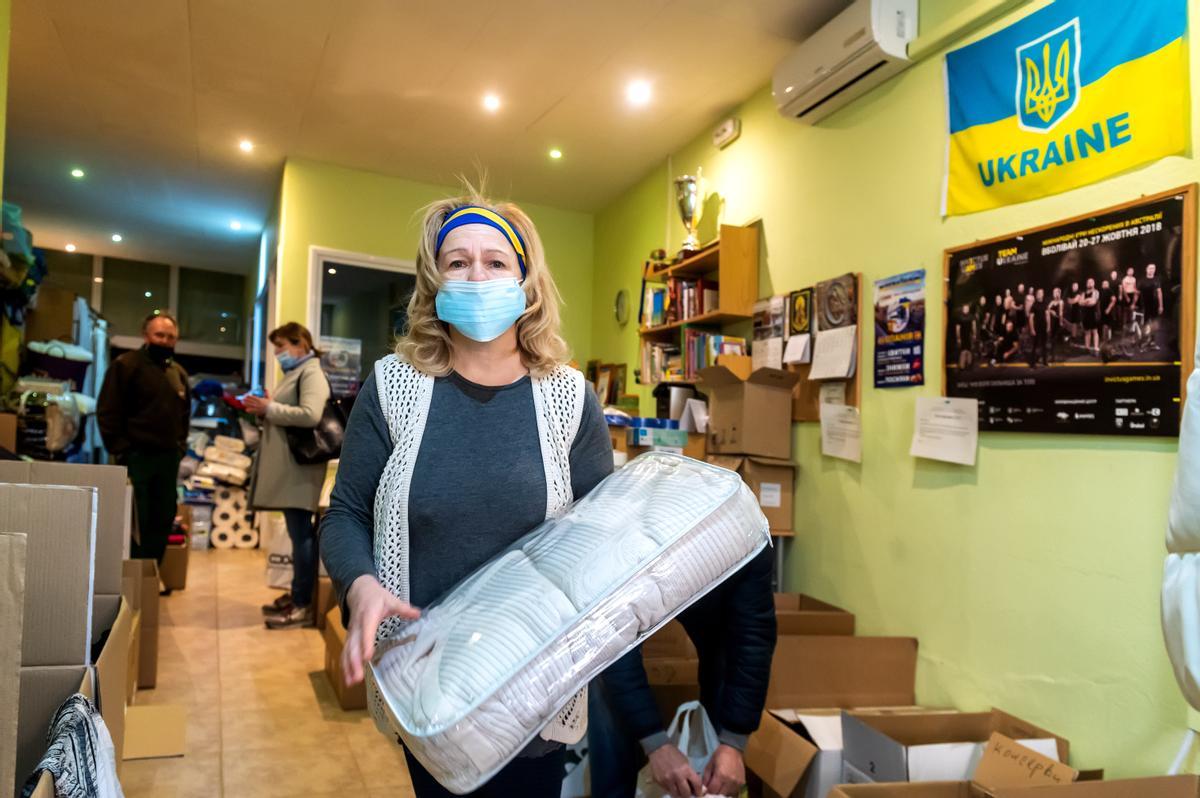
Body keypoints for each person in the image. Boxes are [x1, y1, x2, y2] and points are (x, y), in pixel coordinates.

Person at [319, 191, 613, 798]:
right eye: (457, 262)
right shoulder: (394, 387)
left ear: (526, 280)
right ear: (433, 282)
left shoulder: (569, 399)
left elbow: (598, 538)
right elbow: (346, 513)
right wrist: (361, 584)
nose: (477, 275)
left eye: (496, 262)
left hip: (534, 686)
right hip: (427, 683)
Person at [587, 545, 776, 798]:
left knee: (724, 659)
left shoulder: (748, 534)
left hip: (714, 590)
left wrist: (734, 741)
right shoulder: (626, 537)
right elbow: (613, 647)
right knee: (603, 686)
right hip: (639, 570)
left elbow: (752, 640)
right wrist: (655, 744)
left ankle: (715, 785)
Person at [245, 322, 332, 629]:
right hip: (291, 469)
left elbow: (310, 414)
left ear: (300, 343)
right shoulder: (296, 373)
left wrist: (269, 408)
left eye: (282, 347)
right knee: (298, 537)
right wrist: (266, 408)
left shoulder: (311, 372)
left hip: (300, 470)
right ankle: (297, 597)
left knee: (302, 537)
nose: (278, 354)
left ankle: (302, 606)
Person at [98, 312, 190, 565]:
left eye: (171, 336)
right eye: (159, 334)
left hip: (168, 460)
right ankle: (131, 578)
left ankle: (151, 575)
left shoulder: (177, 373)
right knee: (136, 519)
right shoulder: (126, 366)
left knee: (163, 516)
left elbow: (184, 417)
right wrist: (122, 449)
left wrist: (180, 448)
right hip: (136, 458)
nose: (165, 340)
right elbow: (107, 411)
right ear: (146, 335)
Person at [1140, 262, 1164, 349]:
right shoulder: (1142, 280)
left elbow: (1159, 293)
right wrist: (1133, 304)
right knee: (1145, 324)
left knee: (1154, 324)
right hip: (1145, 306)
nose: (1152, 270)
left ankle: (1153, 343)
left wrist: (1161, 306)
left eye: (1153, 268)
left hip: (1155, 306)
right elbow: (1137, 294)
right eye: (1150, 268)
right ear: (1146, 269)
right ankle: (1144, 342)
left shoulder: (1157, 280)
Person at [1029, 288, 1049, 367]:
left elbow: (1047, 315)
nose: (1039, 294)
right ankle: (1032, 363)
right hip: (1036, 327)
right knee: (1035, 345)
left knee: (1044, 345)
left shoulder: (1045, 303)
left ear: (1043, 294)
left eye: (1041, 293)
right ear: (1036, 295)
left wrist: (1048, 326)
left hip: (1044, 327)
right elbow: (1030, 318)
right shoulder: (1034, 305)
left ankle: (1044, 361)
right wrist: (1032, 329)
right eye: (1038, 293)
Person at [1081, 278, 1100, 356]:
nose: (1089, 283)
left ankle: (1096, 348)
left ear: (1094, 284)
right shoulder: (1083, 293)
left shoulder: (1096, 292)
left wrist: (1085, 301)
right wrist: (1087, 300)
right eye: (1088, 282)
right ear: (1086, 284)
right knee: (1087, 332)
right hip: (1085, 314)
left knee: (1095, 331)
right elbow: (1080, 303)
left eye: (1091, 282)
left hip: (1093, 314)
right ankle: (1087, 348)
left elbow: (1093, 302)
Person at [954, 303, 975, 371]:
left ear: (968, 309)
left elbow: (973, 326)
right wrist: (958, 337)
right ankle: (962, 365)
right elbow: (957, 328)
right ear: (963, 309)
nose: (966, 310)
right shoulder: (959, 317)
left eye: (967, 308)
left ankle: (969, 364)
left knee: (969, 350)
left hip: (969, 336)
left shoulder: (971, 317)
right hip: (962, 336)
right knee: (963, 351)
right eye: (965, 308)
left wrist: (974, 334)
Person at [1047, 287, 1065, 363]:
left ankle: (1056, 357)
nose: (1055, 294)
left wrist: (1061, 322)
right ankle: (1052, 356)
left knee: (1055, 340)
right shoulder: (1051, 302)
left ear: (1059, 293)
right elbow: (1047, 309)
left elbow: (1060, 313)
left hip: (1057, 322)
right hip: (1051, 322)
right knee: (1051, 339)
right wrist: (1051, 311)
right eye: (1054, 292)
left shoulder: (1061, 302)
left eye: (1057, 292)